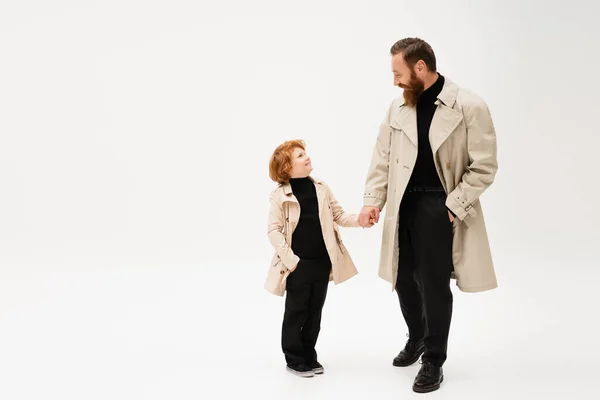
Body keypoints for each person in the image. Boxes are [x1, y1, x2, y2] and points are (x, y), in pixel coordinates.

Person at [358, 37, 499, 393]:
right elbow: (382, 158)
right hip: (403, 204)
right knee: (402, 277)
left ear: (420, 67)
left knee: (434, 284)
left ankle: (434, 359)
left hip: (440, 206)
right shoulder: (398, 109)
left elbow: (484, 167)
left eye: (398, 73)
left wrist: (453, 207)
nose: (395, 81)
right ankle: (417, 336)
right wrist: (373, 200)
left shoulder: (468, 106)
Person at [265, 139, 363, 378]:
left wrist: (359, 220)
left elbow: (338, 214)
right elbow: (273, 231)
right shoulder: (280, 196)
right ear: (287, 168)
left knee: (314, 311)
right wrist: (292, 260)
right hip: (298, 265)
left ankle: (309, 353)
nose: (306, 157)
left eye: (304, 153)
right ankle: (293, 357)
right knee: (296, 311)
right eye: (299, 155)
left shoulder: (321, 188)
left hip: (321, 262)